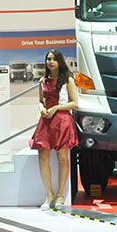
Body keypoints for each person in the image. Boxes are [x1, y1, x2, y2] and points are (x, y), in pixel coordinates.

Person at [28, 49, 79, 210]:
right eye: (48, 59)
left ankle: (60, 195)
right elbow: (40, 100)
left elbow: (75, 103)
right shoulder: (42, 80)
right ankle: (49, 194)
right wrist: (41, 108)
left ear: (59, 61)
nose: (51, 62)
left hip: (62, 121)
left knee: (63, 158)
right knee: (43, 159)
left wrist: (56, 108)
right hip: (46, 122)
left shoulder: (68, 79)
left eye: (54, 59)